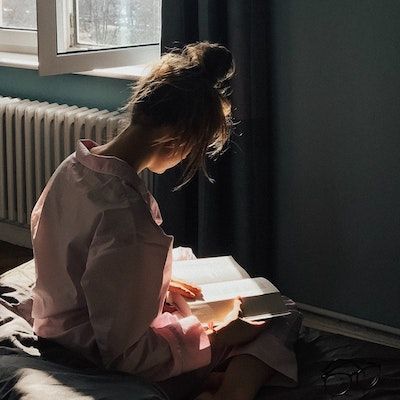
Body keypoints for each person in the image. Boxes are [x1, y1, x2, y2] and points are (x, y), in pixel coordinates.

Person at [30, 42, 302, 400]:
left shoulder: (75, 165)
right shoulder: (126, 217)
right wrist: (217, 336)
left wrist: (163, 281)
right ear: (176, 140)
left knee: (222, 304)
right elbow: (127, 355)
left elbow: (86, 258)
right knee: (282, 317)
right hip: (95, 353)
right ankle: (236, 388)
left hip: (56, 324)